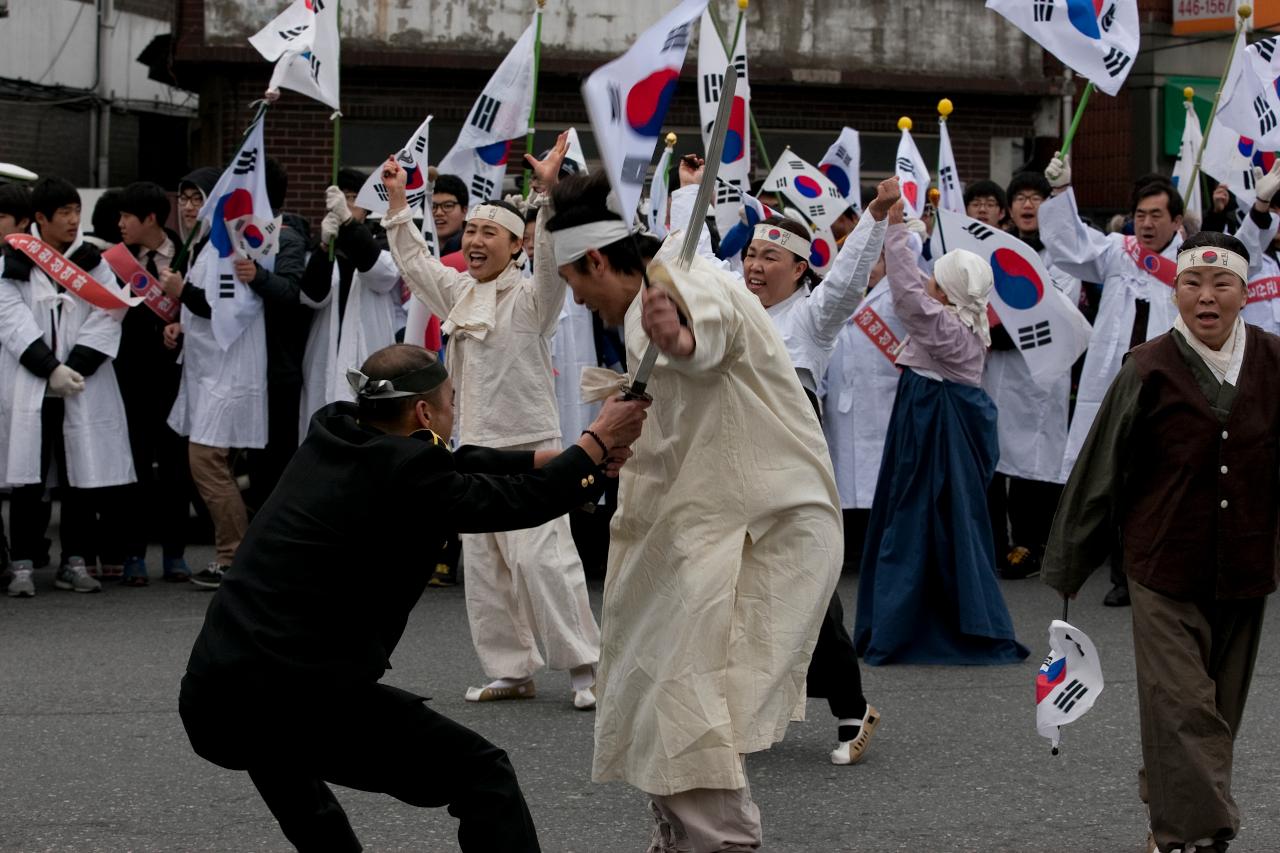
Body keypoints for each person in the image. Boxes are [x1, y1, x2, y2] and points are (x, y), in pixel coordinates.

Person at [179, 343, 650, 853]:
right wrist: (596, 442)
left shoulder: (335, 428)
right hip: (297, 696)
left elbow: (447, 462)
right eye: (451, 401)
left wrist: (548, 458)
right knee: (481, 773)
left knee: (297, 784)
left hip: (215, 694)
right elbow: (519, 502)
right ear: (425, 411)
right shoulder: (408, 473)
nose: (455, 412)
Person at [548, 170, 844, 851]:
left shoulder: (679, 281)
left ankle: (719, 842)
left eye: (576, 284)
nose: (580, 302)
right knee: (657, 686)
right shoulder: (642, 300)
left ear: (596, 259)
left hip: (752, 527)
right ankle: (683, 838)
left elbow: (709, 326)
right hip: (693, 523)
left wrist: (684, 337)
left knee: (688, 695)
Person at [1042, 231, 1278, 853]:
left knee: (1217, 708)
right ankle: (1193, 834)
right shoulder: (1147, 365)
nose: (1206, 297)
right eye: (1192, 284)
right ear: (1174, 292)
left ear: (1244, 292)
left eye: (1220, 284)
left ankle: (1170, 796)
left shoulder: (1275, 363)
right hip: (1162, 562)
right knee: (1180, 703)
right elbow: (1101, 467)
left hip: (1246, 565)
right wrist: (1071, 560)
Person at [383, 132, 604, 709]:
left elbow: (555, 262)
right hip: (474, 452)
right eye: (472, 232)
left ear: (514, 245)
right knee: (487, 568)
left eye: (490, 234)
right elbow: (413, 261)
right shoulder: (457, 291)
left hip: (533, 450)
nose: (477, 242)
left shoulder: (534, 298)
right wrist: (398, 203)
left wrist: (551, 196)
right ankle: (512, 670)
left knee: (543, 560)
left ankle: (586, 667)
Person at [733, 173, 894, 765]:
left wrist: (874, 216)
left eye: (769, 255)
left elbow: (850, 278)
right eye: (750, 253)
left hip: (792, 472)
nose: (754, 265)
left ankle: (852, 709)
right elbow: (691, 254)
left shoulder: (812, 318)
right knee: (734, 589)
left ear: (799, 268)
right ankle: (742, 714)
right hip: (733, 464)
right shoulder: (733, 308)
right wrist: (693, 190)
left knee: (809, 592)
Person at [853, 183, 1029, 666]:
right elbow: (918, 286)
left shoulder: (947, 328)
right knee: (947, 528)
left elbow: (908, 293)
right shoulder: (964, 320)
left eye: (939, 281)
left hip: (932, 427)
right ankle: (944, 618)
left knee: (913, 524)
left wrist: (893, 226)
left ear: (949, 293)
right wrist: (908, 229)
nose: (931, 282)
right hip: (936, 421)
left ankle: (904, 626)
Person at [1040, 155, 1185, 607]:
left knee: (1163, 478)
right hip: (1117, 379)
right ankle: (1123, 573)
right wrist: (1063, 193)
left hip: (1170, 381)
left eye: (1156, 215)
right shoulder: (1118, 251)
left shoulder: (1192, 260)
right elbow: (1070, 246)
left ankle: (1165, 566)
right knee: (1117, 474)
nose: (1145, 224)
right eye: (1140, 215)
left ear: (1176, 220)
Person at [159, 164, 293, 590]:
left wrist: (183, 295)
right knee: (220, 467)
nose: (188, 206)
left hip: (229, 374)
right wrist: (181, 320)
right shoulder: (204, 243)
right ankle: (243, 554)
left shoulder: (232, 244)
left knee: (207, 465)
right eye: (183, 198)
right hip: (206, 371)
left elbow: (229, 308)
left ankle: (234, 555)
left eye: (198, 197)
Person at [1, 176, 135, 597]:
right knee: (30, 476)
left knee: (81, 474)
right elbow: (10, 319)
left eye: (76, 211)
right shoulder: (14, 261)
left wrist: (74, 367)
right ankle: (22, 563)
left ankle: (73, 560)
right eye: (64, 213)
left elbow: (110, 312)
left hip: (80, 385)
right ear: (40, 218)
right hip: (32, 384)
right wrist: (48, 368)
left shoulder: (92, 260)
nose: (74, 220)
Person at [984, 172, 1083, 580]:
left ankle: (1032, 541)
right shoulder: (993, 252)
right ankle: (994, 543)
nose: (1028, 205)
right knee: (994, 457)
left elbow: (1053, 313)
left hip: (1040, 374)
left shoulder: (1064, 257)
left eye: (1036, 197)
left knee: (1036, 460)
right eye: (1020, 198)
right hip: (995, 372)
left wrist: (997, 330)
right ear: (1009, 209)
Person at [112, 180, 195, 585]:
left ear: (149, 218)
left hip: (177, 377)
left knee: (176, 466)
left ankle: (175, 553)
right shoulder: (114, 261)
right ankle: (133, 553)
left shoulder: (187, 255)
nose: (120, 223)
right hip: (128, 377)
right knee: (136, 465)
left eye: (127, 216)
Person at [298, 168, 401, 435]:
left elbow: (383, 275)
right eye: (340, 197)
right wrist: (322, 249)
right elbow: (312, 296)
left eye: (352, 198)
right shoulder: (323, 244)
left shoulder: (382, 240)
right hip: (326, 353)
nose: (344, 203)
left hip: (369, 350)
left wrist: (348, 224)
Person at [246, 158, 311, 509]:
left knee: (273, 461)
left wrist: (255, 275)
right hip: (244, 366)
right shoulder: (237, 237)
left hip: (277, 369)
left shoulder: (285, 239)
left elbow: (290, 293)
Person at [1229, 160, 1280, 337]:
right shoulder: (1238, 253)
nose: (1277, 219)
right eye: (1272, 211)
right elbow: (1242, 254)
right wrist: (1261, 205)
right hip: (1251, 355)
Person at [432, 173, 469, 256]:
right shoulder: (415, 250)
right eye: (433, 206)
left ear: (464, 210)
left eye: (448, 206)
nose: (439, 213)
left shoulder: (474, 250)